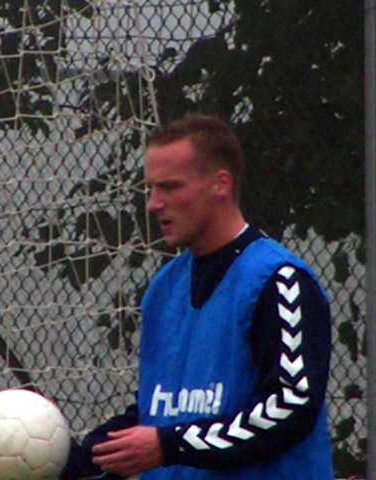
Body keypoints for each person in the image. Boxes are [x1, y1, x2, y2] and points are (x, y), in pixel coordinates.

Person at [61, 113, 334, 480]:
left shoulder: (279, 280)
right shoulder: (163, 288)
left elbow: (290, 407)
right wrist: (74, 462)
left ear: (221, 184)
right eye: (151, 189)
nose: (154, 204)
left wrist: (168, 445)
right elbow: (158, 415)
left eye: (170, 187)